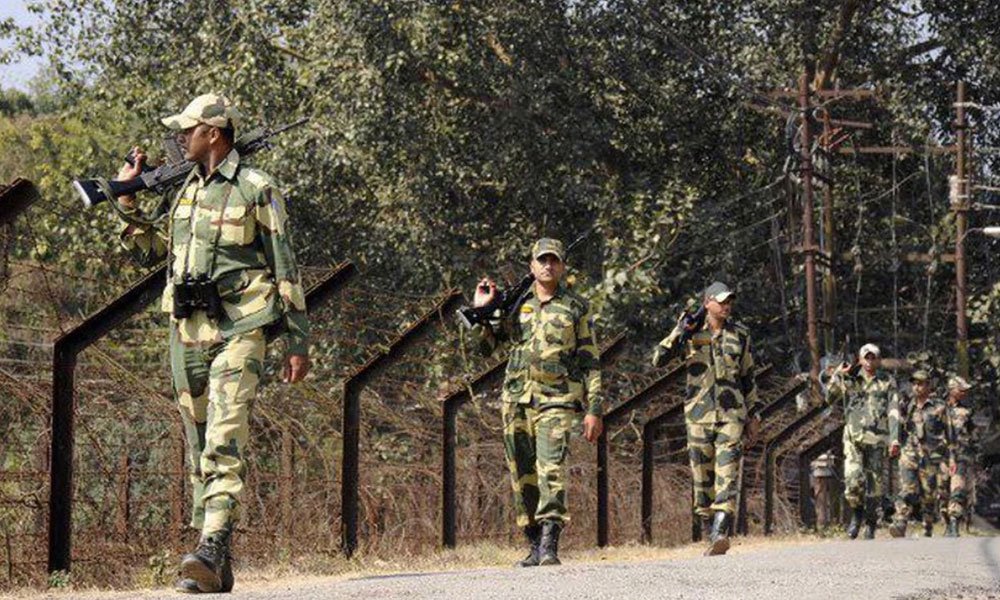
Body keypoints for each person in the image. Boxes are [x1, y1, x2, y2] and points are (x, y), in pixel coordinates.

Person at [113, 93, 310, 593]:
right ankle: (215, 566)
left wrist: (297, 338)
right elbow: (155, 253)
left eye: (189, 129)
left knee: (224, 437)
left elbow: (284, 263)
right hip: (187, 331)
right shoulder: (184, 191)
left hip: (241, 327)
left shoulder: (256, 188)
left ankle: (211, 545)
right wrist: (127, 202)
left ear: (214, 133)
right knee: (199, 444)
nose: (181, 137)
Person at [470, 237, 603, 567]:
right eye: (542, 260)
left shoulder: (576, 306)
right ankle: (532, 542)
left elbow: (590, 360)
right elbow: (486, 348)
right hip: (517, 399)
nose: (548, 265)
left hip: (557, 399)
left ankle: (549, 543)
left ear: (562, 266)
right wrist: (482, 310)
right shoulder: (515, 303)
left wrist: (594, 409)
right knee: (522, 473)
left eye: (554, 260)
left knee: (551, 468)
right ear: (531, 265)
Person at [652, 281, 759, 556]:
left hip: (732, 415)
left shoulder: (740, 334)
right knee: (702, 480)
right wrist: (680, 330)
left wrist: (753, 414)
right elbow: (658, 359)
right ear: (707, 302)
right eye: (721, 301)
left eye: (729, 301)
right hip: (698, 416)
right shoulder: (691, 332)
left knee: (728, 472)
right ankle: (710, 527)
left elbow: (748, 376)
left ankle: (721, 529)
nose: (726, 306)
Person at [825, 343, 899, 540]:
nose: (869, 361)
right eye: (866, 357)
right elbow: (829, 398)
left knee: (875, 486)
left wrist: (894, 439)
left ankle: (871, 523)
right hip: (853, 438)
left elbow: (893, 411)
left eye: (873, 357)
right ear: (860, 359)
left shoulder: (887, 381)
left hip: (877, 439)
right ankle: (857, 514)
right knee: (852, 479)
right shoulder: (850, 380)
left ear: (878, 360)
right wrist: (838, 375)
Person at [889, 370, 948, 537]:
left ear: (929, 385)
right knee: (907, 489)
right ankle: (900, 522)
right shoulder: (906, 404)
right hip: (910, 453)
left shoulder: (939, 407)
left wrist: (947, 457)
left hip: (930, 455)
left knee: (928, 494)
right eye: (914, 383)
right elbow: (895, 424)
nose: (916, 387)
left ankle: (927, 523)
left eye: (920, 384)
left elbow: (949, 432)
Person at [944, 376, 976, 537]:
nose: (964, 392)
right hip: (939, 455)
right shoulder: (939, 408)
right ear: (952, 390)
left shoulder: (967, 411)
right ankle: (945, 523)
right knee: (941, 491)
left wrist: (975, 455)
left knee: (958, 488)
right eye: (961, 389)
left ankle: (954, 523)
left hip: (961, 455)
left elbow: (973, 435)